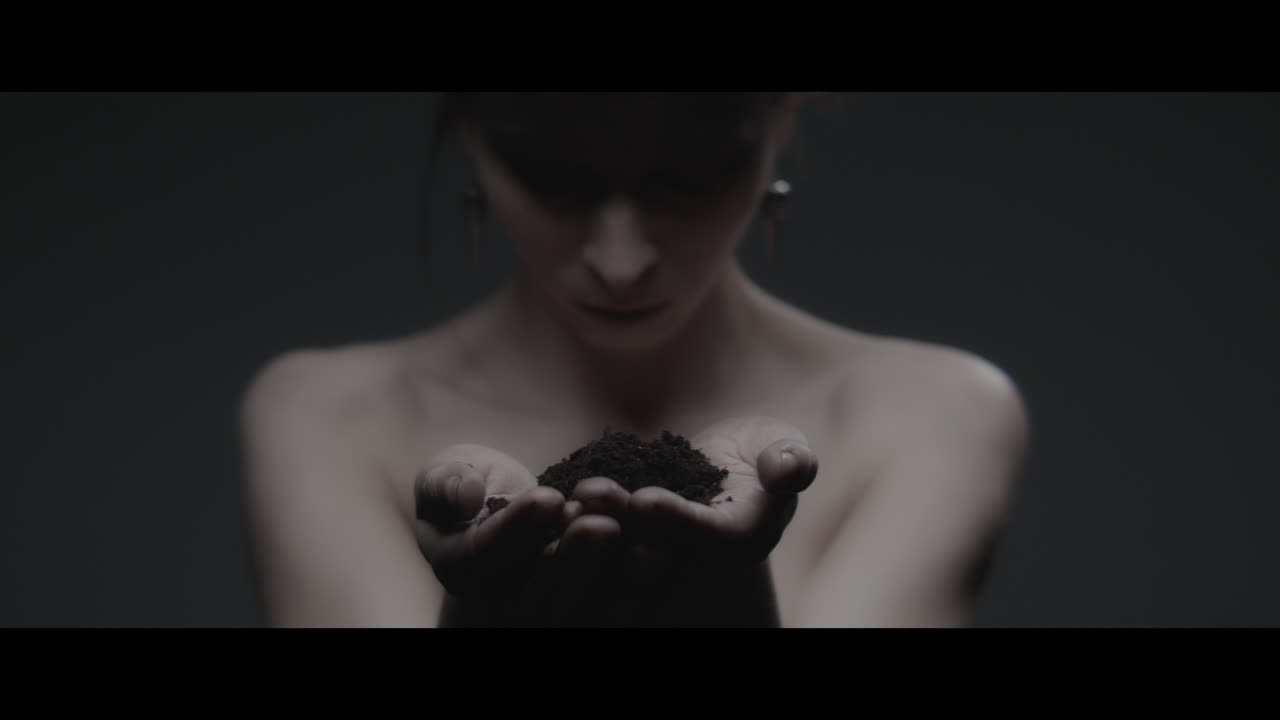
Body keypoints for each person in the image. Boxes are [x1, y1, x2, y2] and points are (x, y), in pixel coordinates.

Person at [237, 92, 1030, 627]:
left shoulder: (936, 412)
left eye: (691, 176)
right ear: (470, 130)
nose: (620, 263)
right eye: (553, 179)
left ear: (780, 121)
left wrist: (733, 601)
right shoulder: (324, 416)